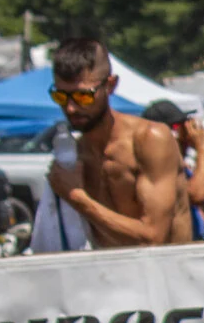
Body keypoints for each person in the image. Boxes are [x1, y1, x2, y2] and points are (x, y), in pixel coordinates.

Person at [44, 37, 185, 247]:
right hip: (111, 276)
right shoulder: (77, 153)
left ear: (110, 85)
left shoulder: (149, 139)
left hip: (168, 275)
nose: (71, 108)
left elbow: (153, 238)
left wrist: (77, 198)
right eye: (61, 97)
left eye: (83, 97)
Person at [137, 99, 204, 237]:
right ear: (173, 130)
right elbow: (197, 195)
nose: (190, 128)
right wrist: (203, 148)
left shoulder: (181, 163)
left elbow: (190, 207)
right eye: (183, 124)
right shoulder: (158, 163)